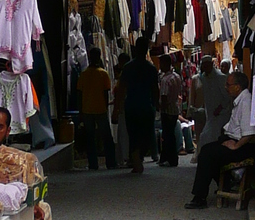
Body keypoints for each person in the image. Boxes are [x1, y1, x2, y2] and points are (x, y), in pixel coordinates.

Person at [184, 66, 255, 208]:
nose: (226, 87)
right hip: (234, 140)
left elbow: (249, 132)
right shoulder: (240, 100)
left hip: (243, 146)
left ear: (237, 87)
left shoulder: (245, 102)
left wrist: (236, 146)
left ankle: (200, 197)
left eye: (229, 85)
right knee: (208, 150)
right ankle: (224, 184)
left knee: (207, 154)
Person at [119, 34, 159, 173]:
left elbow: (121, 88)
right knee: (145, 134)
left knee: (134, 134)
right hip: (145, 106)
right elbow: (155, 89)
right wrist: (156, 104)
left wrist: (117, 108)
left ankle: (136, 157)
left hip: (132, 105)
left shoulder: (128, 67)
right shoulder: (151, 68)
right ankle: (137, 157)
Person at [76, 50, 116, 171]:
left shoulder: (83, 74)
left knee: (90, 138)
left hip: (87, 110)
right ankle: (111, 163)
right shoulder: (103, 74)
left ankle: (93, 164)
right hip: (100, 109)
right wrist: (105, 106)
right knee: (106, 138)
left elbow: (79, 94)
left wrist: (80, 111)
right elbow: (105, 93)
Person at [194, 53, 231, 147]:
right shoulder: (204, 77)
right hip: (210, 114)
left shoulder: (220, 77)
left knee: (208, 137)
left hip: (221, 114)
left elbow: (227, 97)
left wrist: (219, 108)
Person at [157, 53, 184, 167]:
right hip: (175, 108)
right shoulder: (177, 76)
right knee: (170, 134)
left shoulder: (165, 79)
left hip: (167, 110)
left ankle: (170, 158)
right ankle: (169, 158)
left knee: (167, 135)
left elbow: (164, 96)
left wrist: (162, 109)